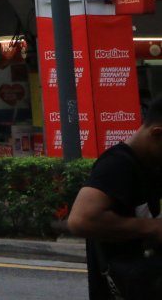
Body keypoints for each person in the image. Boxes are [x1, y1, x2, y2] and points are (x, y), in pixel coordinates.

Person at [68, 98, 162, 300]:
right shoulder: (118, 164)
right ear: (156, 133)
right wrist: (153, 228)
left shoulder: (151, 163)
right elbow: (81, 219)